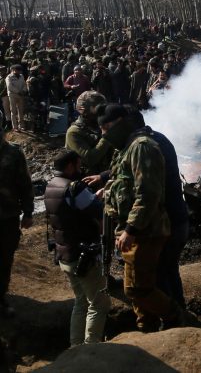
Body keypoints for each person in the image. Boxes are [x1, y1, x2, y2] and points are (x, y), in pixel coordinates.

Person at [98, 103, 184, 331]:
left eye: (106, 128)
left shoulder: (142, 146)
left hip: (147, 229)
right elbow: (125, 179)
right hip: (134, 228)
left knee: (137, 288)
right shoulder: (127, 147)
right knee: (138, 284)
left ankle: (176, 316)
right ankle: (146, 326)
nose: (104, 134)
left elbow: (148, 192)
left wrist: (131, 229)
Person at [44, 150, 110, 345]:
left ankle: (75, 348)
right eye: (78, 165)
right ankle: (91, 347)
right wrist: (100, 197)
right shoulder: (75, 188)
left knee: (81, 301)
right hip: (83, 255)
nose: (80, 169)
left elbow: (70, 213)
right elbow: (96, 211)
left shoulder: (50, 186)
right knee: (99, 303)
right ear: (70, 165)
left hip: (65, 253)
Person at [0, 110, 34, 316]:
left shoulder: (13, 153)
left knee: (4, 259)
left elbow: (25, 184)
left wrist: (29, 212)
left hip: (7, 218)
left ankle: (1, 296)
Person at [65, 91, 114, 176]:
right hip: (88, 180)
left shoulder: (100, 126)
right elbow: (90, 159)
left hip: (106, 175)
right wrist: (106, 136)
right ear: (85, 111)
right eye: (98, 110)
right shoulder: (74, 132)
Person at [5, 64, 27, 132]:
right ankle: (15, 127)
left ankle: (21, 125)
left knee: (21, 110)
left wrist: (24, 90)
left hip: (21, 95)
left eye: (19, 70)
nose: (19, 71)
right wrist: (18, 92)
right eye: (17, 70)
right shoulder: (9, 77)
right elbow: (9, 87)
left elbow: (24, 84)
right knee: (13, 111)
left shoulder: (21, 76)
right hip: (12, 95)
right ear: (13, 70)